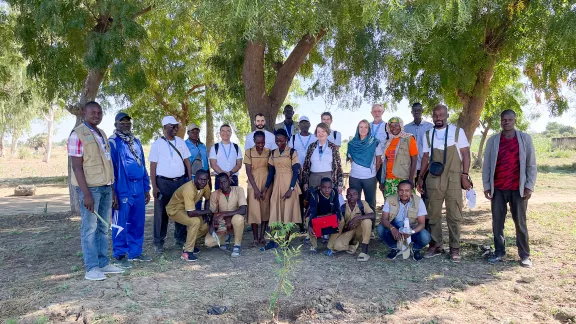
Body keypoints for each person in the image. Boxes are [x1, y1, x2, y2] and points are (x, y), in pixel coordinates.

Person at [68, 101, 123, 281]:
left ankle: (103, 263)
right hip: (90, 189)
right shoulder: (78, 134)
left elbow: (107, 163)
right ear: (84, 112)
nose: (96, 115)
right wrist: (86, 194)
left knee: (103, 227)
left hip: (106, 187)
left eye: (99, 113)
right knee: (89, 228)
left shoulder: (102, 134)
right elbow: (76, 168)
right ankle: (91, 268)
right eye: (93, 112)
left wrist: (112, 189)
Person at [417, 104, 472, 262]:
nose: (438, 118)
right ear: (432, 117)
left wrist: (465, 175)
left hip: (454, 177)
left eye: (441, 115)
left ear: (447, 115)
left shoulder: (457, 132)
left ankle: (455, 247)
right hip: (434, 178)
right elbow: (426, 158)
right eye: (435, 115)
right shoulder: (428, 134)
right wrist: (420, 177)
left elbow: (466, 154)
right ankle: (435, 244)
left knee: (454, 213)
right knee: (433, 213)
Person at [482, 110, 536, 267]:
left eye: (510, 119)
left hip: (517, 189)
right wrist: (487, 185)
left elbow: (531, 165)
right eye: (504, 120)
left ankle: (525, 255)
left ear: (515, 120)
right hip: (498, 188)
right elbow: (487, 166)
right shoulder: (493, 141)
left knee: (520, 223)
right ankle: (499, 252)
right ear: (500, 121)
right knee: (497, 223)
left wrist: (529, 186)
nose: (506, 122)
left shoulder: (525, 139)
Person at [108, 112, 152, 269]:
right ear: (116, 124)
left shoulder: (136, 142)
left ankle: (135, 252)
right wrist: (113, 193)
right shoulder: (112, 142)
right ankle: (120, 254)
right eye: (122, 122)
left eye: (128, 122)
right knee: (120, 222)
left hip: (138, 188)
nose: (126, 124)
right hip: (122, 189)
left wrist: (147, 188)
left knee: (138, 222)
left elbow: (143, 165)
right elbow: (110, 168)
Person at [149, 116, 192, 254]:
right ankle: (158, 242)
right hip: (163, 183)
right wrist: (154, 186)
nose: (176, 129)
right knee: (161, 213)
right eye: (172, 126)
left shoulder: (180, 142)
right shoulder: (157, 144)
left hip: (179, 182)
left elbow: (187, 162)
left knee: (180, 210)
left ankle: (179, 238)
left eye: (176, 126)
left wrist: (190, 180)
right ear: (165, 127)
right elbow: (153, 166)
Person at [377, 180, 431, 261]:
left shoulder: (418, 201)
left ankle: (415, 249)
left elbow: (422, 224)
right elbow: (384, 219)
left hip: (412, 229)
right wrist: (392, 228)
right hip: (395, 228)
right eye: (401, 190)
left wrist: (411, 232)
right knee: (380, 228)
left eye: (407, 191)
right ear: (397, 191)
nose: (404, 193)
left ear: (411, 191)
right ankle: (395, 247)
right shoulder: (390, 199)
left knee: (426, 237)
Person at [165, 170, 212, 262]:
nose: (202, 182)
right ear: (195, 178)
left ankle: (189, 244)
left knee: (205, 224)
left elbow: (207, 198)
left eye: (205, 180)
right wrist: (206, 211)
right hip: (175, 210)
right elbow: (191, 213)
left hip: (188, 209)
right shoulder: (189, 189)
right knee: (195, 221)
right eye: (200, 179)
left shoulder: (205, 185)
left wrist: (206, 214)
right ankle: (187, 252)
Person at [206, 173, 248, 257]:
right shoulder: (215, 194)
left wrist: (224, 214)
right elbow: (212, 213)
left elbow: (243, 210)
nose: (223, 184)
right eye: (220, 183)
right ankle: (226, 237)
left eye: (225, 181)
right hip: (222, 224)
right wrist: (211, 225)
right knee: (208, 242)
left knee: (238, 218)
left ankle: (237, 245)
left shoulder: (238, 190)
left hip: (235, 220)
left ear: (229, 181)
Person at [266, 129, 302, 226]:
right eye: (277, 140)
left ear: (286, 139)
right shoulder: (273, 153)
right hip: (277, 183)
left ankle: (286, 239)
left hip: (290, 183)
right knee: (275, 207)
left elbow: (295, 172)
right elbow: (271, 172)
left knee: (288, 210)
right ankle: (276, 237)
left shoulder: (292, 152)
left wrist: (291, 189)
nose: (278, 142)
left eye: (281, 140)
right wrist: (266, 188)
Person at [330, 188, 375, 261]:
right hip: (349, 231)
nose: (352, 196)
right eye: (349, 194)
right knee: (337, 246)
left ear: (358, 196)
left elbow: (373, 215)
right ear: (346, 196)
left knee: (367, 221)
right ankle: (352, 246)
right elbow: (340, 225)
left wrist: (357, 218)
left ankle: (364, 251)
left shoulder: (362, 204)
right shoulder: (343, 207)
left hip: (360, 231)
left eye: (354, 194)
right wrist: (347, 228)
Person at [288, 115, 316, 233]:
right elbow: (289, 155)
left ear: (310, 125)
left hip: (312, 172)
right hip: (298, 173)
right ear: (298, 126)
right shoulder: (293, 138)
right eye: (302, 123)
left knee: (311, 198)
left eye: (306, 123)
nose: (304, 125)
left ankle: (311, 222)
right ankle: (300, 224)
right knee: (299, 198)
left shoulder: (315, 137)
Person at [347, 119, 382, 213]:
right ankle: (356, 224)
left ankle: (370, 226)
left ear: (369, 129)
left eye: (366, 127)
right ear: (357, 129)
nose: (363, 129)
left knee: (370, 203)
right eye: (361, 127)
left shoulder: (375, 142)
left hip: (369, 177)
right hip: (354, 177)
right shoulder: (351, 144)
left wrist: (372, 171)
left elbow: (378, 160)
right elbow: (351, 159)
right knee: (354, 202)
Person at [244, 131, 272, 246]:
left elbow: (271, 170)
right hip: (253, 183)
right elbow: (248, 172)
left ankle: (262, 237)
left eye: (263, 142)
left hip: (266, 183)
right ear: (254, 141)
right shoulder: (249, 152)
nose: (260, 145)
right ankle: (255, 238)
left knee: (265, 210)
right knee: (254, 210)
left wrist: (265, 188)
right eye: (258, 142)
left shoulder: (269, 152)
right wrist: (255, 189)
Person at [380, 117, 419, 198]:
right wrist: (383, 180)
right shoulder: (388, 142)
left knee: (406, 206)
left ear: (401, 126)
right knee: (390, 207)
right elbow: (385, 163)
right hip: (389, 180)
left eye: (396, 125)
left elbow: (414, 160)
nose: (394, 128)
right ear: (388, 128)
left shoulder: (409, 139)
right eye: (391, 126)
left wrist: (411, 179)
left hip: (403, 179)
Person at [301, 123, 344, 193]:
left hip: (328, 178)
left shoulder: (333, 147)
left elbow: (339, 167)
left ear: (327, 132)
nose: (321, 134)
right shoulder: (311, 147)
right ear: (316, 133)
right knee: (314, 201)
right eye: (318, 132)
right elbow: (306, 165)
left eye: (323, 131)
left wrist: (340, 184)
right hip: (314, 178)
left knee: (328, 201)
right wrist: (305, 182)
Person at [307, 178, 343, 254]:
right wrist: (310, 225)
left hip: (330, 216)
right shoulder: (314, 195)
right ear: (320, 187)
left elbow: (337, 208)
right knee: (308, 221)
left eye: (329, 187)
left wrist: (339, 218)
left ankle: (330, 246)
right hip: (318, 217)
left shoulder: (334, 192)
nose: (327, 190)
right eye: (324, 187)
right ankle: (314, 246)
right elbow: (312, 212)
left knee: (342, 221)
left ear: (332, 187)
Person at [404, 103, 434, 185]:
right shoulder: (406, 128)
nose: (416, 112)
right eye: (414, 110)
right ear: (411, 112)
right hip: (410, 167)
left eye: (419, 110)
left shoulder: (430, 127)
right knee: (409, 193)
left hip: (426, 166)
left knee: (425, 194)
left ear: (422, 111)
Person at [209, 124, 243, 189]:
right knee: (219, 198)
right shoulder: (215, 147)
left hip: (233, 177)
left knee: (233, 198)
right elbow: (213, 164)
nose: (225, 133)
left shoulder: (236, 147)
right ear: (220, 133)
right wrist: (224, 175)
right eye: (223, 131)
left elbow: (239, 164)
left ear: (231, 133)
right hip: (220, 177)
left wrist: (230, 173)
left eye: (228, 131)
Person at [185, 122, 210, 210]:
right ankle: (192, 222)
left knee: (202, 200)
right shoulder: (184, 145)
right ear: (188, 133)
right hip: (192, 178)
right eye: (193, 132)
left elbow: (206, 162)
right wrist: (188, 180)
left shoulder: (202, 146)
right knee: (193, 202)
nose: (195, 134)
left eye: (197, 132)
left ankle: (201, 220)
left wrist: (209, 179)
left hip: (204, 178)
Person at [370, 104, 389, 204]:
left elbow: (390, 142)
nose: (377, 113)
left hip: (382, 161)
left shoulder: (387, 126)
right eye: (375, 111)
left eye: (379, 111)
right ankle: (371, 207)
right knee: (370, 186)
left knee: (383, 186)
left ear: (382, 112)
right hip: (369, 161)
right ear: (371, 113)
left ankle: (387, 208)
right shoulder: (367, 126)